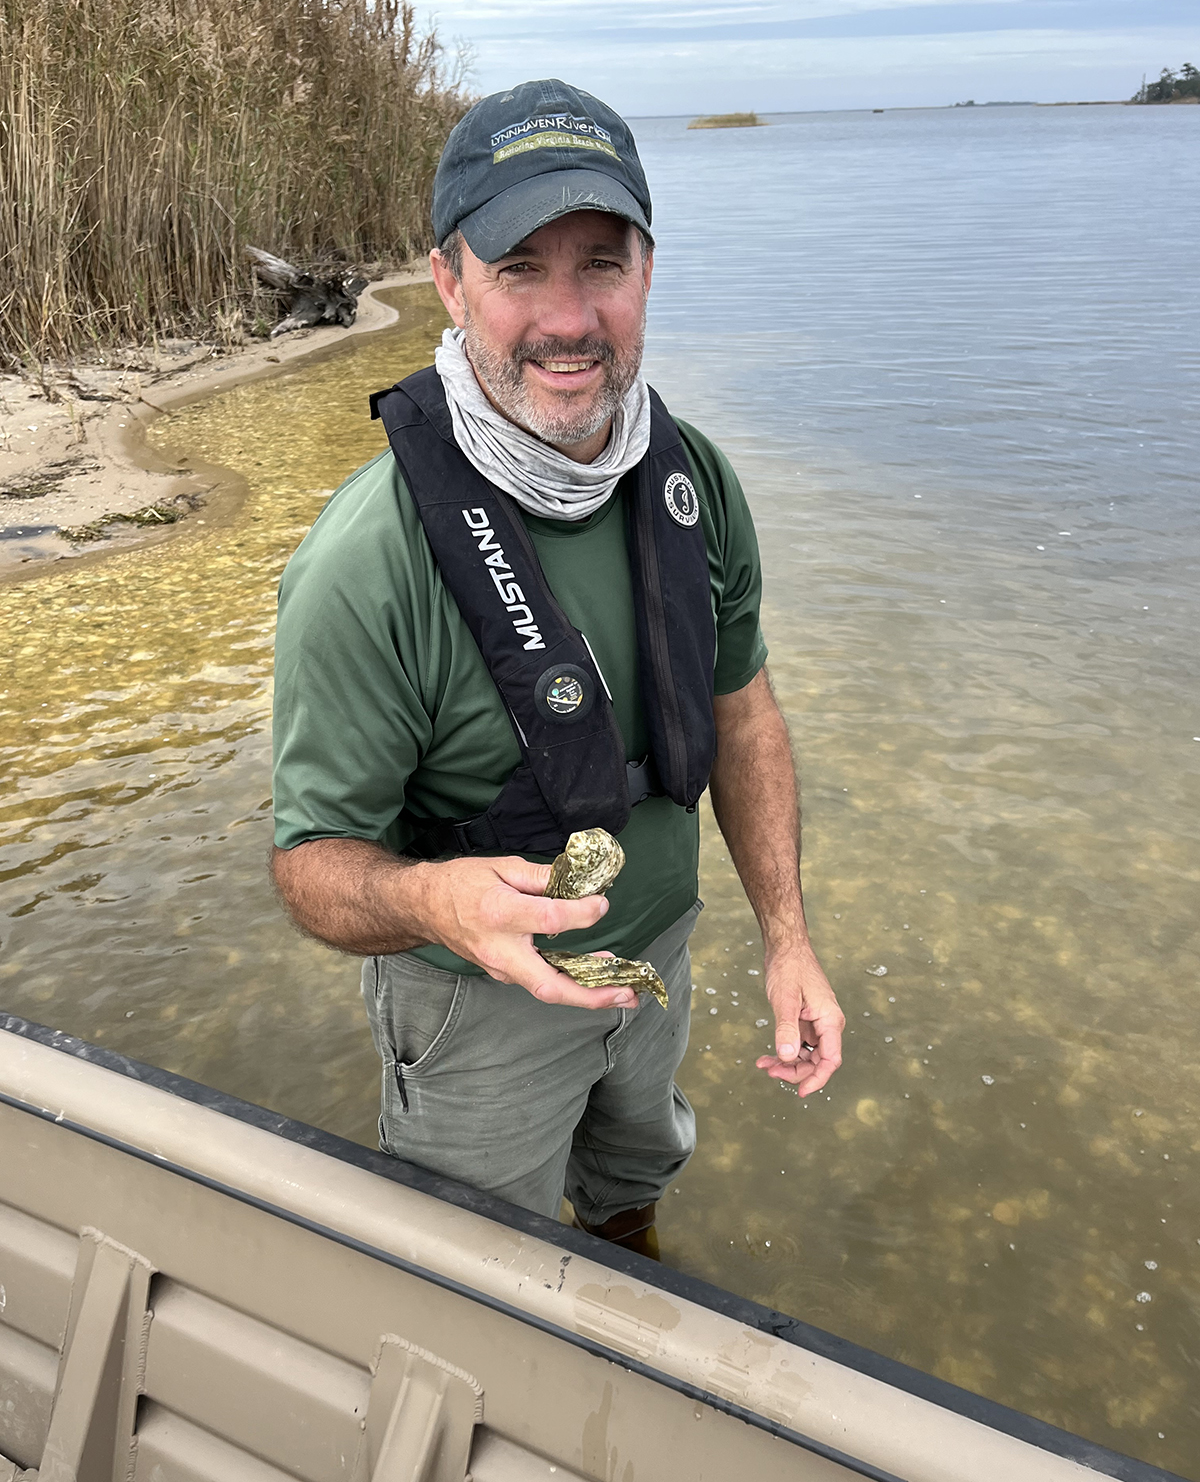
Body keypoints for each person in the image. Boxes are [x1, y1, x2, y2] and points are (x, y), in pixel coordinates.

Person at [270, 79, 845, 1256]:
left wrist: (788, 936)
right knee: (479, 1280)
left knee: (635, 1194)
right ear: (448, 280)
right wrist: (434, 901)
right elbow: (309, 866)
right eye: (520, 267)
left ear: (648, 272)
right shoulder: (368, 560)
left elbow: (743, 717)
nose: (569, 317)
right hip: (477, 1003)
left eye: (602, 263)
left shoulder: (697, 485)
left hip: (657, 957)